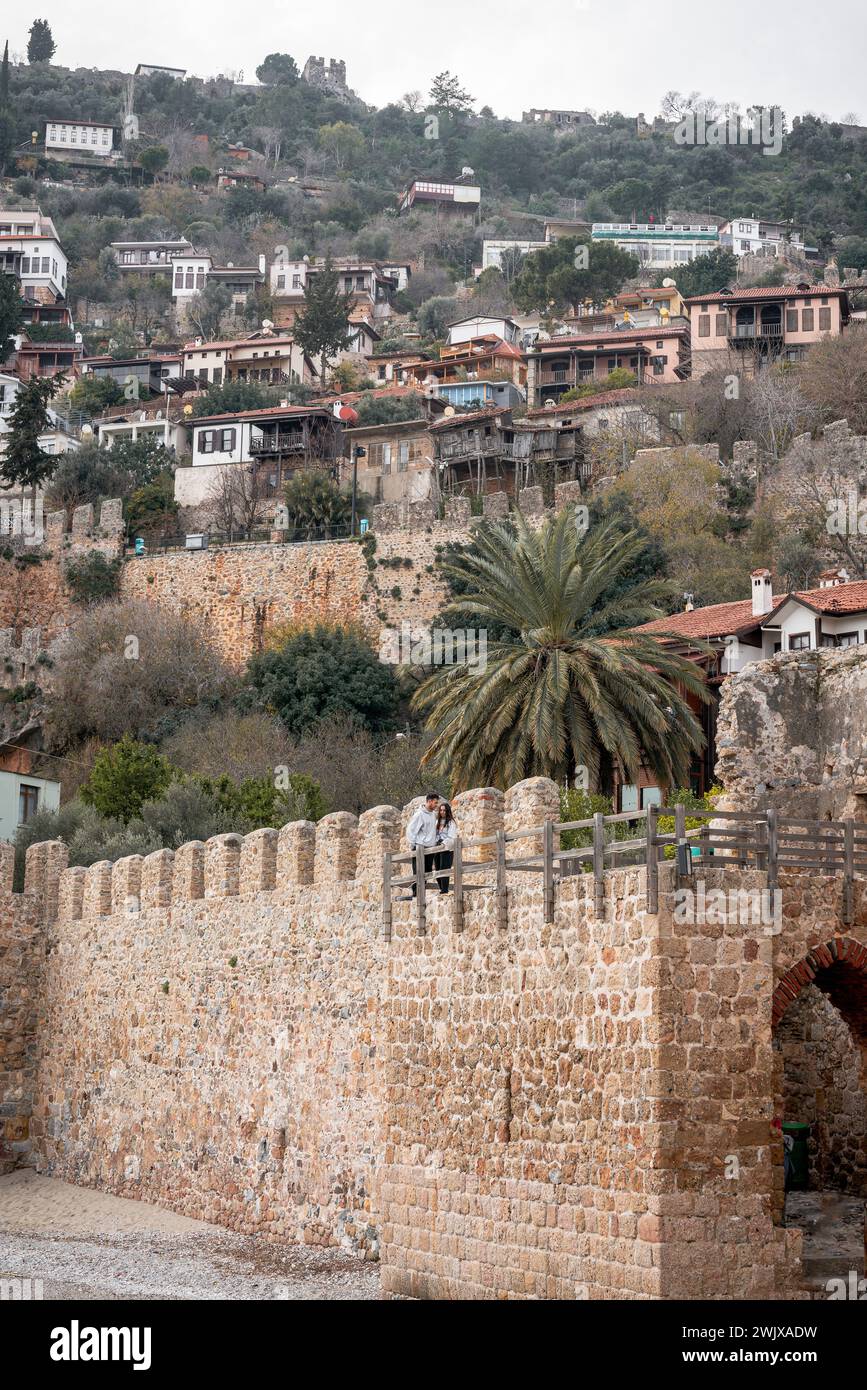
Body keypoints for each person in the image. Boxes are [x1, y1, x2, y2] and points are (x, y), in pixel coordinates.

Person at [406, 791, 440, 897]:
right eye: (435, 803)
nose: (436, 805)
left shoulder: (433, 815)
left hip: (430, 848)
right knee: (418, 872)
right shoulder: (419, 814)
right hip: (420, 848)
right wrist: (415, 845)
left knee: (427, 872)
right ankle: (416, 895)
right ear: (429, 801)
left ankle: (421, 894)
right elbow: (411, 830)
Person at [433, 801, 458, 894]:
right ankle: (441, 888)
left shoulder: (451, 823)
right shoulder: (437, 822)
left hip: (447, 848)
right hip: (437, 848)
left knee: (444, 869)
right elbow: (434, 834)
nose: (442, 812)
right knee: (437, 870)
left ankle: (444, 890)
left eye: (444, 810)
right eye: (441, 810)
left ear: (448, 811)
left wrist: (443, 843)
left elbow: (452, 836)